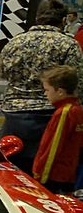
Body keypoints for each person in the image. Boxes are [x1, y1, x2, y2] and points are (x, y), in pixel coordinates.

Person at [0, 0, 83, 173]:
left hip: (13, 118)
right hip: (51, 119)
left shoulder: (15, 42)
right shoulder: (68, 45)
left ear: (37, 18)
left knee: (10, 174)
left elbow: (2, 72)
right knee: (45, 177)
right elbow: (77, 84)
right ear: (63, 20)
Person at [33, 65, 83, 194]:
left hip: (54, 177)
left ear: (60, 91)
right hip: (68, 174)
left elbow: (52, 148)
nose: (45, 94)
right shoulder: (77, 109)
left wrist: (40, 175)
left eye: (47, 90)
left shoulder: (64, 113)